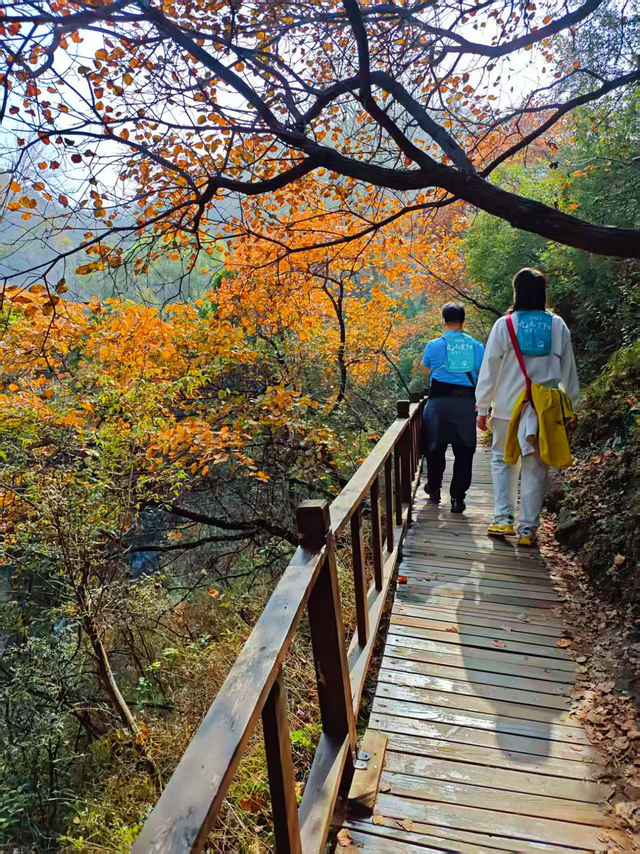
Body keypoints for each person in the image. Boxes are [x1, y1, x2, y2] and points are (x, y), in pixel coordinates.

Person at [475, 268, 579, 546]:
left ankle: (503, 519)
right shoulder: (558, 325)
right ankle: (528, 530)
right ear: (543, 293)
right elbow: (568, 371)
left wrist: (482, 407)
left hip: (508, 407)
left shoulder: (504, 325)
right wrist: (571, 407)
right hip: (545, 411)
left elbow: (489, 370)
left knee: (503, 460)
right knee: (537, 466)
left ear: (517, 292)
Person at [420, 303, 485, 513]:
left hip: (438, 403)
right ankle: (458, 498)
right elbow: (483, 374)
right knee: (464, 452)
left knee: (435, 449)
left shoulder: (433, 345)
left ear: (443, 322)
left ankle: (434, 488)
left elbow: (426, 368)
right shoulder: (476, 346)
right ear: (464, 322)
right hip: (465, 404)